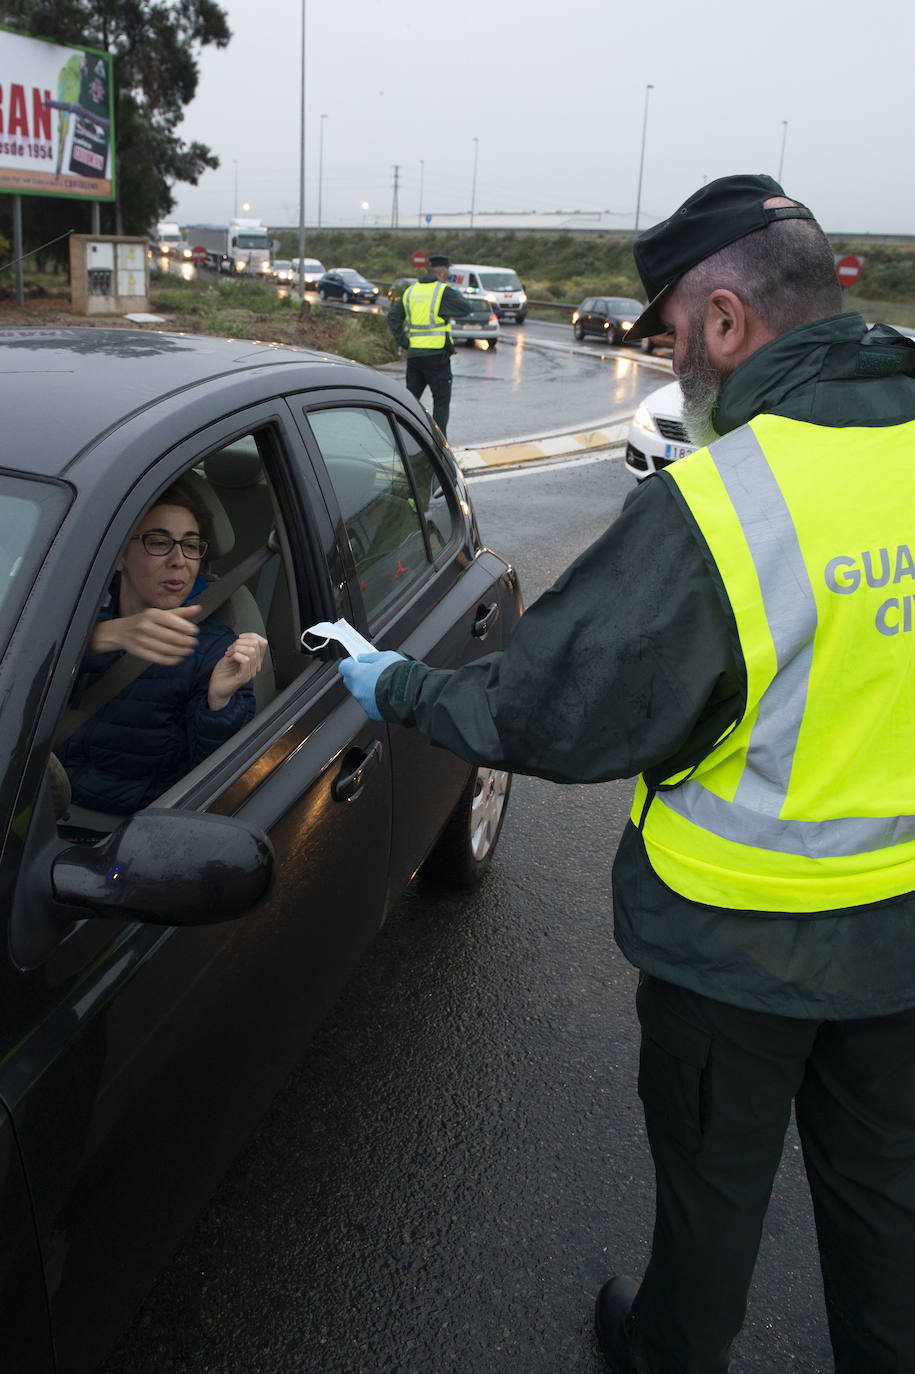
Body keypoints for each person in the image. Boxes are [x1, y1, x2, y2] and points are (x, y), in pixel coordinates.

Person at [340, 173, 915, 1372]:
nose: (671, 368)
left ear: (722, 320)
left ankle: (666, 1354)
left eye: (668, 336)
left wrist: (392, 685)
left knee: (713, 1205)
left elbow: (553, 710)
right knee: (887, 1214)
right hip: (902, 943)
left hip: (736, 948)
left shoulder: (729, 500)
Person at [61, 480, 267, 814]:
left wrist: (219, 702)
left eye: (191, 545)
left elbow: (218, 784)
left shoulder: (215, 649)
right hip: (33, 806)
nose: (179, 561)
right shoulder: (65, 618)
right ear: (119, 557)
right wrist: (97, 639)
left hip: (125, 832)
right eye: (159, 542)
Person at [387, 252, 472, 436]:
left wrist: (404, 341)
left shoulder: (411, 291)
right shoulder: (442, 291)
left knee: (409, 403)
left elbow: (393, 316)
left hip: (415, 357)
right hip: (437, 358)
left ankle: (404, 441)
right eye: (447, 271)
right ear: (441, 272)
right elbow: (466, 308)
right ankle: (440, 452)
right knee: (440, 404)